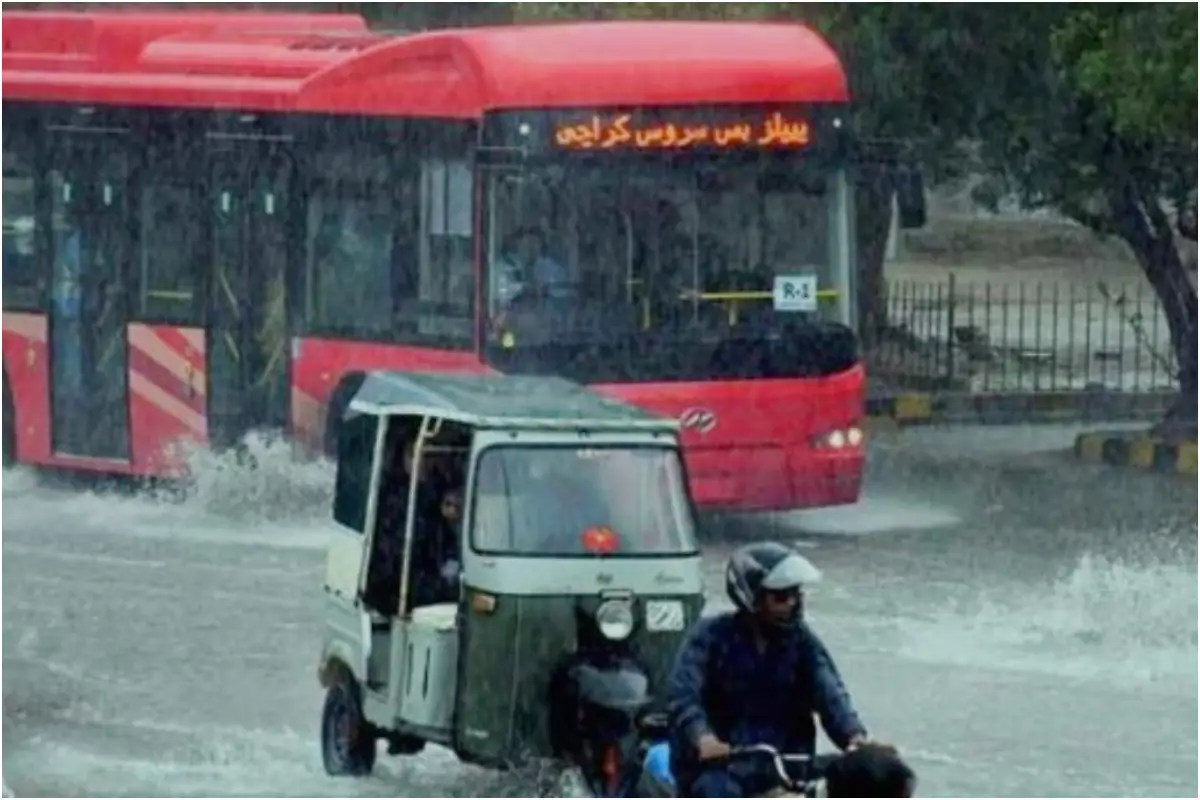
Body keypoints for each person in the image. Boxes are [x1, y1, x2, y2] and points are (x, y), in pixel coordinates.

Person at [666, 541, 879, 798]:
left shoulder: (802, 641)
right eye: (780, 596)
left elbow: (830, 692)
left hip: (788, 766)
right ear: (752, 595)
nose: (790, 602)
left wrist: (854, 737)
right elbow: (684, 696)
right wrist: (703, 738)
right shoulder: (710, 636)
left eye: (795, 593)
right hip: (723, 767)